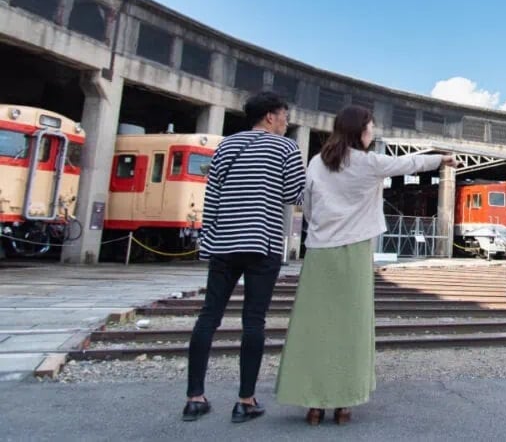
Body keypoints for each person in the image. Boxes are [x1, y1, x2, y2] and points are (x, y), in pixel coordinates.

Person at [275, 105, 455, 425]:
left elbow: (310, 205)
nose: (372, 133)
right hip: (355, 251)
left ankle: (313, 404)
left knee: (314, 327)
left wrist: (322, 231)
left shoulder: (317, 162)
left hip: (319, 252)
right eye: (370, 127)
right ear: (360, 130)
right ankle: (344, 403)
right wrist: (440, 159)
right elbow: (407, 163)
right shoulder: (369, 163)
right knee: (351, 328)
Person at [183, 91, 307, 423]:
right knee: (253, 321)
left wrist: (208, 240)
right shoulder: (286, 147)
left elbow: (213, 195)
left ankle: (195, 398)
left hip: (223, 243)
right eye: (284, 115)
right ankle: (245, 401)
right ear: (270, 116)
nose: (286, 122)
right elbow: (294, 192)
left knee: (208, 317)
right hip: (261, 242)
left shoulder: (225, 145)